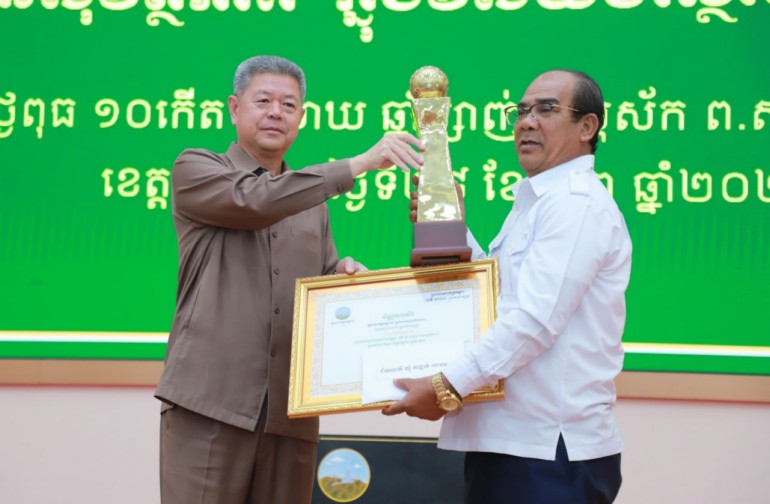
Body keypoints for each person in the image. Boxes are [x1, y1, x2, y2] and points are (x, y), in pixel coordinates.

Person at [155, 55, 424, 504]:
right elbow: (253, 201)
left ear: (301, 117)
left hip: (290, 412)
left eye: (289, 105)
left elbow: (319, 286)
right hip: (211, 404)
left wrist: (342, 280)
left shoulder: (312, 202)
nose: (276, 113)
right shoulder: (197, 168)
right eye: (263, 101)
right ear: (234, 108)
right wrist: (358, 163)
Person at [383, 69, 632, 504]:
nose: (526, 122)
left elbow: (534, 321)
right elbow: (498, 299)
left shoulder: (575, 204)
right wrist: (452, 227)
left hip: (549, 450)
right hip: (512, 443)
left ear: (587, 126)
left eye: (546, 109)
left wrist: (445, 386)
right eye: (520, 111)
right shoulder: (537, 202)